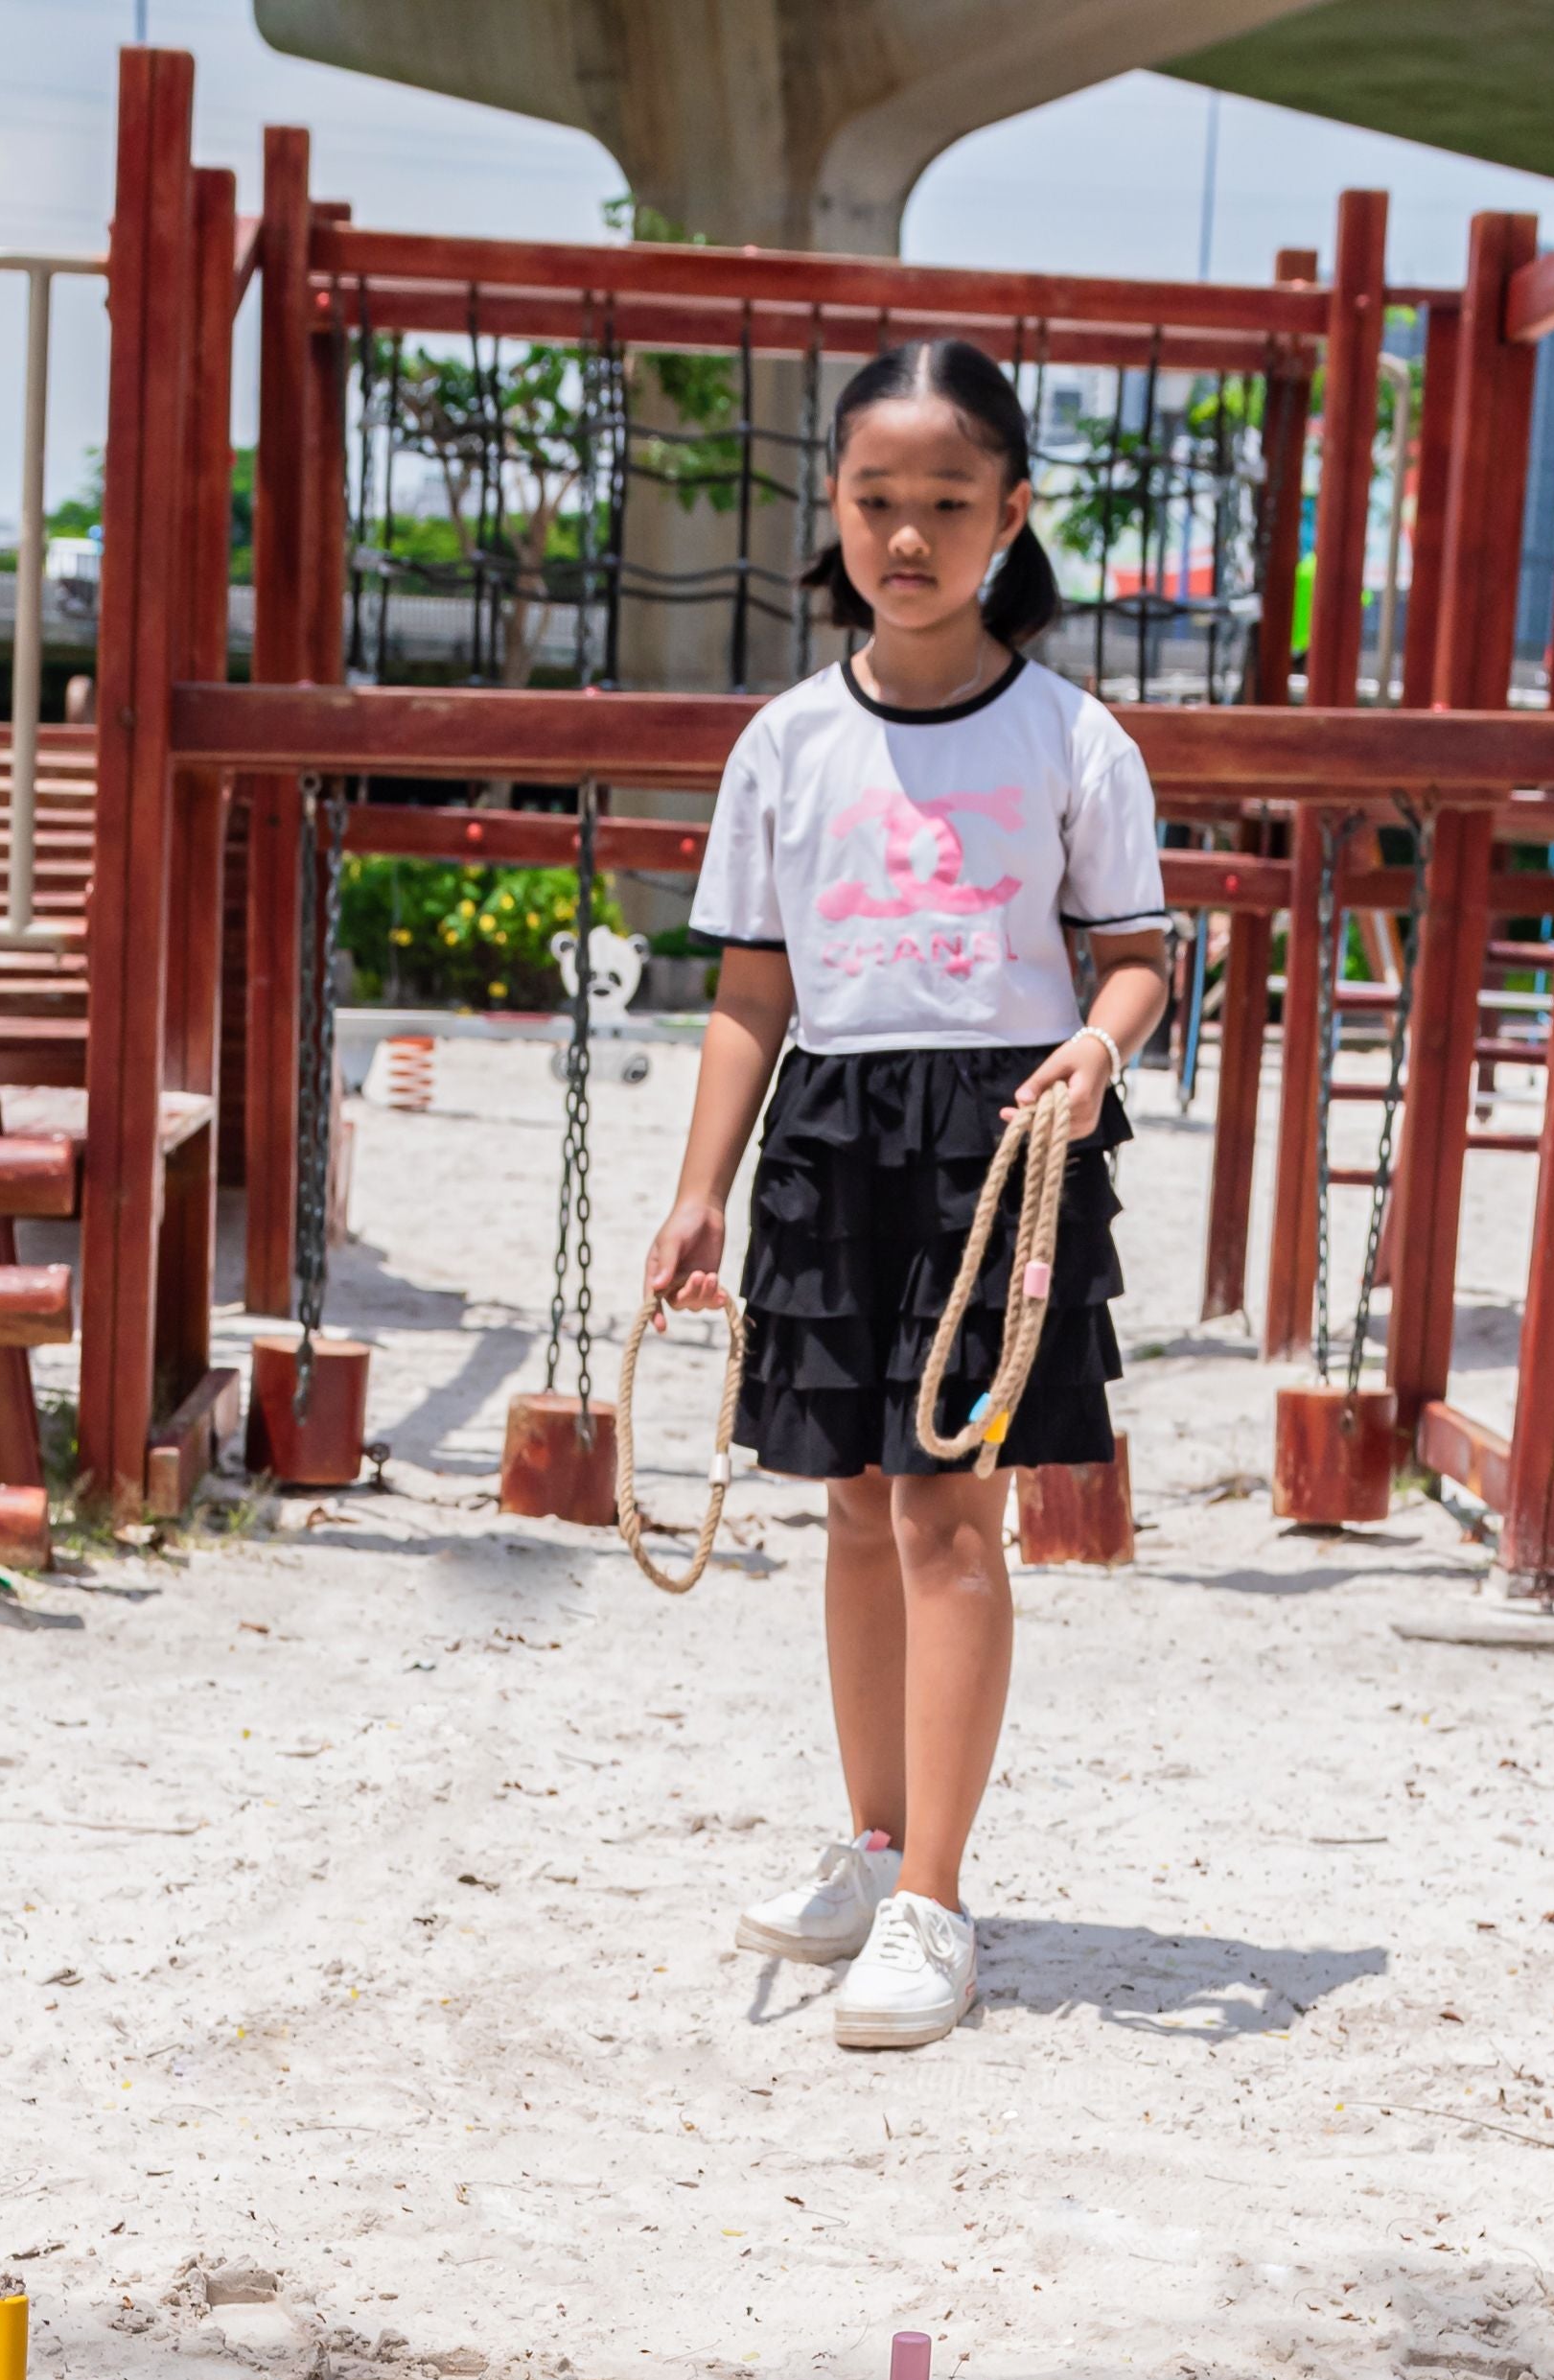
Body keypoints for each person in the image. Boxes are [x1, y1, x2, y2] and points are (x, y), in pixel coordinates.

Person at [641, 338, 1171, 2053]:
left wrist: (1096, 1050)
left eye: (949, 503)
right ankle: (873, 1850)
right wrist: (697, 1191)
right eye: (877, 501)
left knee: (951, 1510)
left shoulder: (1074, 738)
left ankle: (936, 1900)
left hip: (1001, 1138)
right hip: (829, 1135)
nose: (909, 535)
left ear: (1013, 515)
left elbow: (1138, 958)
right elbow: (750, 992)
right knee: (854, 1508)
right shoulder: (783, 742)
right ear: (836, 510)